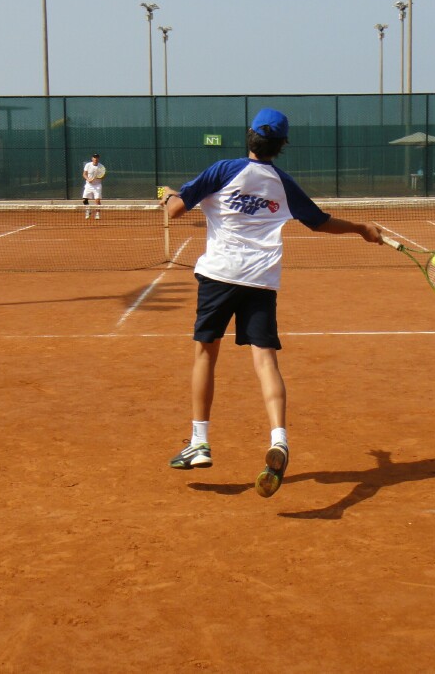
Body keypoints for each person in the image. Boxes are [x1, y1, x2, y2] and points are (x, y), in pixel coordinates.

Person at [160, 108, 383, 498]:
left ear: (250, 136)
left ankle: (199, 441)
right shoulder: (283, 183)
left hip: (218, 277)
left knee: (205, 355)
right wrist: (362, 229)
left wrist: (167, 196)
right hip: (261, 282)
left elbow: (176, 210)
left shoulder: (222, 169)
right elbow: (319, 221)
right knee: (265, 360)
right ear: (281, 146)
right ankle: (279, 439)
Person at [82, 153, 106, 219]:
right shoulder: (88, 165)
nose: (95, 159)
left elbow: (102, 176)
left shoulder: (101, 167)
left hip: (97, 186)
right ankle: (88, 210)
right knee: (84, 200)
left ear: (98, 159)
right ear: (92, 158)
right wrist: (88, 179)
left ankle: (97, 214)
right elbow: (84, 174)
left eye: (97, 157)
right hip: (88, 185)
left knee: (97, 200)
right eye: (94, 157)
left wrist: (96, 178)